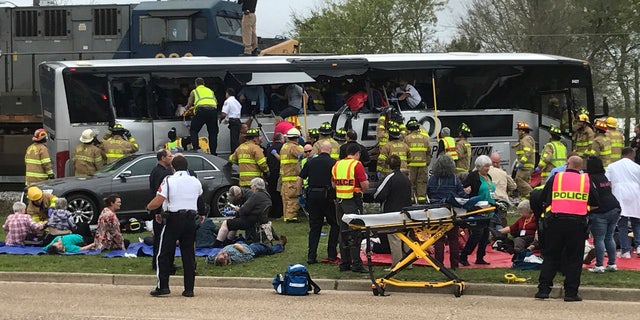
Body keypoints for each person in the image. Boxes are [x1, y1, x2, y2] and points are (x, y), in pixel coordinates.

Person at [536, 155, 598, 302]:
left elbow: (542, 198)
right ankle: (571, 293)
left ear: (567, 164)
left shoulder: (556, 177)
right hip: (577, 224)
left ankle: (543, 290)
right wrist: (583, 208)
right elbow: (596, 203)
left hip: (555, 223)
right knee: (574, 259)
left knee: (551, 256)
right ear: (581, 167)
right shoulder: (586, 180)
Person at [146, 155, 204, 298]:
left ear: (173, 167)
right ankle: (189, 289)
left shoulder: (169, 180)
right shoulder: (195, 181)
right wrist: (202, 214)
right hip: (190, 220)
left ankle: (163, 286)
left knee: (163, 253)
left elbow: (159, 199)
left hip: (173, 220)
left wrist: (149, 207)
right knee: (188, 255)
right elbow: (200, 199)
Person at [298, 141, 339, 264]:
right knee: (335, 224)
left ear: (320, 150)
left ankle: (311, 256)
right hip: (327, 196)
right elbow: (335, 182)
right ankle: (331, 254)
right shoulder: (334, 163)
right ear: (330, 150)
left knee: (315, 227)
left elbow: (300, 178)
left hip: (312, 195)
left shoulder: (310, 162)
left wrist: (300, 194)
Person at [427, 155, 471, 270]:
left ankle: (439, 265)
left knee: (438, 239)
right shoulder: (454, 179)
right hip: (451, 211)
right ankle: (454, 265)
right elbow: (461, 196)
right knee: (453, 239)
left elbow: (429, 193)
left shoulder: (432, 179)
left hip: (437, 211)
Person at [332, 143, 370, 273]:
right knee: (356, 232)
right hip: (353, 201)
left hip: (340, 201)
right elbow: (364, 185)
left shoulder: (337, 164)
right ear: (357, 153)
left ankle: (344, 263)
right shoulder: (356, 165)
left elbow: (333, 184)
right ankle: (356, 264)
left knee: (343, 232)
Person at [374, 155, 412, 267]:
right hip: (406, 212)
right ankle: (408, 262)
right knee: (406, 238)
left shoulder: (390, 177)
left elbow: (379, 194)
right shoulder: (406, 178)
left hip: (393, 213)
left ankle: (397, 264)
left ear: (388, 166)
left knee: (395, 238)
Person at [585, 156, 620, 273]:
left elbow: (592, 195)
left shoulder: (590, 179)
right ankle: (612, 263)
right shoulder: (603, 177)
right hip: (614, 207)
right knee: (609, 237)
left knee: (599, 239)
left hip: (600, 211)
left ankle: (599, 265)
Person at [460, 155, 496, 266]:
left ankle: (480, 257)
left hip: (489, 209)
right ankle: (464, 255)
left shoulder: (488, 176)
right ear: (479, 167)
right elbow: (464, 191)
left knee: (485, 235)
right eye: (486, 166)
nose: (488, 168)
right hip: (477, 210)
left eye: (489, 166)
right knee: (477, 234)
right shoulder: (473, 177)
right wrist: (466, 191)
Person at [213, 177, 271, 247]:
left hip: (250, 221)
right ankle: (227, 242)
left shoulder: (255, 196)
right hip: (259, 219)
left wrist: (237, 209)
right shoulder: (266, 195)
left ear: (255, 186)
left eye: (252, 185)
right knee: (234, 222)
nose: (251, 187)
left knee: (226, 223)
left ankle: (217, 244)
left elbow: (244, 211)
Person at [605, 147, 640, 259]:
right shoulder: (637, 167)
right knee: (636, 222)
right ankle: (639, 246)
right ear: (631, 155)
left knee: (622, 224)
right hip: (635, 194)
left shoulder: (612, 166)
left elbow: (607, 182)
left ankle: (625, 250)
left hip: (619, 194)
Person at [149, 149, 173, 271]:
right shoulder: (162, 173)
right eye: (169, 156)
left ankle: (158, 263)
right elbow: (158, 195)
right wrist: (158, 212)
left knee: (159, 238)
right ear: (163, 158)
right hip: (161, 211)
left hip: (158, 211)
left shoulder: (156, 170)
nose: (171, 157)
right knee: (161, 239)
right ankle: (162, 264)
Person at [187, 77, 219, 155]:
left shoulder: (194, 91)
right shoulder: (210, 91)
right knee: (213, 133)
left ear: (196, 84)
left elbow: (189, 104)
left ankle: (196, 148)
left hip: (202, 111)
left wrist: (187, 109)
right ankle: (213, 152)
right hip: (213, 111)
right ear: (204, 84)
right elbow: (215, 102)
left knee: (194, 130)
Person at [207, 236, 288, 266]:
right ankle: (280, 246)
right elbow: (249, 257)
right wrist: (240, 248)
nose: (224, 252)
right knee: (268, 249)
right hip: (251, 249)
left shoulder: (214, 258)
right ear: (226, 261)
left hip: (241, 243)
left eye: (221, 253)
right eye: (224, 255)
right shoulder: (236, 258)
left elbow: (208, 259)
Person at [404, 118, 431, 203]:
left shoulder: (407, 139)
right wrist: (427, 162)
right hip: (422, 165)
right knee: (422, 182)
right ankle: (421, 199)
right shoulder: (425, 138)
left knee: (410, 182)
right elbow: (428, 152)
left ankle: (411, 199)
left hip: (411, 165)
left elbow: (405, 152)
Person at [280, 128, 304, 222]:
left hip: (285, 178)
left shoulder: (284, 147)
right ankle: (291, 218)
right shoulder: (294, 147)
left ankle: (287, 216)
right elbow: (304, 154)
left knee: (286, 199)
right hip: (292, 177)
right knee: (293, 198)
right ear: (296, 138)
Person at [488, 152, 517, 226]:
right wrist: (507, 191)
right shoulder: (503, 173)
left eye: (496, 163)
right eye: (494, 162)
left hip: (489, 200)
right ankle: (500, 234)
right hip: (502, 201)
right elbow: (513, 186)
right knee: (500, 221)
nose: (495, 164)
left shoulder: (482, 170)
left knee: (491, 222)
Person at [512, 121, 535, 198]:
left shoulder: (526, 139)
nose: (518, 132)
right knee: (525, 183)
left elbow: (528, 151)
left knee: (518, 180)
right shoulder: (524, 139)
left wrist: (521, 162)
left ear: (523, 131)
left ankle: (533, 195)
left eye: (519, 130)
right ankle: (526, 200)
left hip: (525, 166)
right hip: (526, 166)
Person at [265, 133, 284, 218]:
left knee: (272, 193)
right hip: (279, 173)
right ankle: (279, 212)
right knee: (280, 193)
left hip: (271, 174)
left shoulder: (269, 149)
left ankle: (272, 212)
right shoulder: (283, 147)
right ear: (280, 139)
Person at [220, 88, 243, 152]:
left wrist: (221, 118)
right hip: (238, 121)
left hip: (233, 122)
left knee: (233, 141)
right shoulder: (236, 102)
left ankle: (234, 156)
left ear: (227, 93)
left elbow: (224, 113)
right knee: (236, 140)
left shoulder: (228, 101)